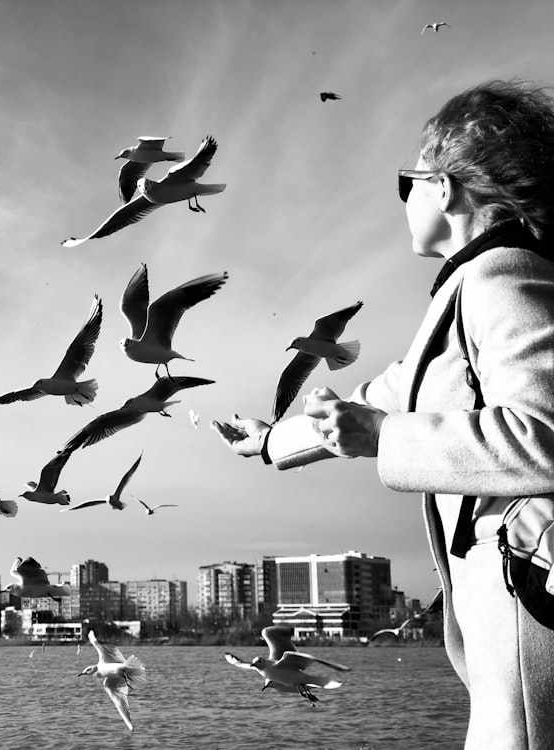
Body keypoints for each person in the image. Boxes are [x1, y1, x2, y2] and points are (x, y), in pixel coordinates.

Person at [216, 80, 554, 750]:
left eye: (408, 182)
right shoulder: (469, 293)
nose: (401, 200)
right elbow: (377, 397)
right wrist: (268, 443)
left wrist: (381, 439)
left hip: (526, 586)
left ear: (447, 188)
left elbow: (544, 436)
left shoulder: (502, 280)